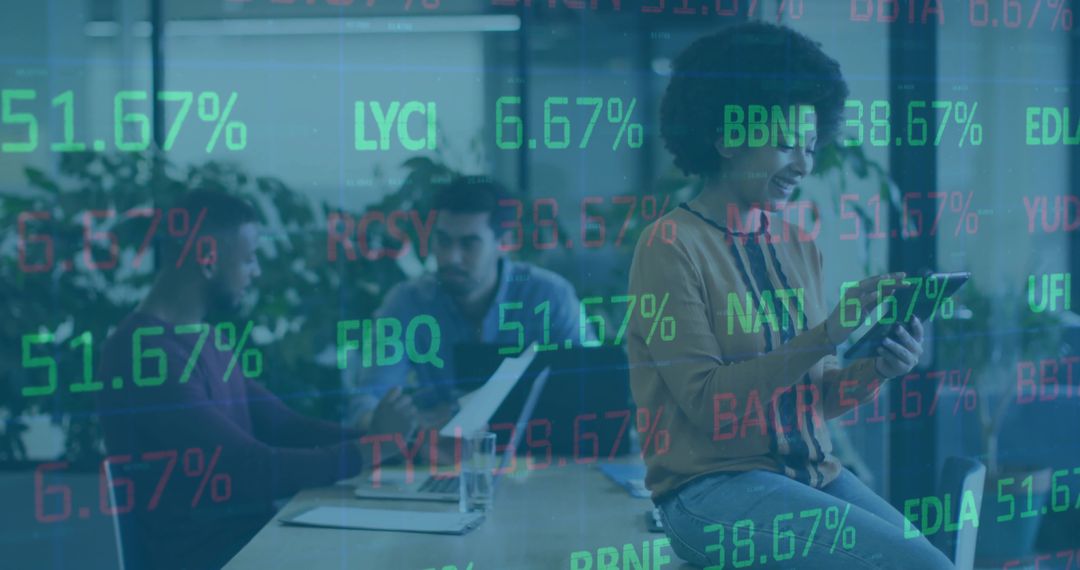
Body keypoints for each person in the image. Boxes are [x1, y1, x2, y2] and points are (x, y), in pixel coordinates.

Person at [627, 23, 953, 569]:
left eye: (808, 146)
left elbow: (815, 400)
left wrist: (877, 369)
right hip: (709, 495)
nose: (803, 166)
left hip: (812, 476)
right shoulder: (669, 246)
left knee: (933, 563)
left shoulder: (799, 246)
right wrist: (827, 332)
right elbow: (710, 406)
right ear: (727, 135)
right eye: (784, 145)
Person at [96, 190, 416, 570]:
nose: (257, 271)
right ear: (208, 259)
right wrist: (372, 450)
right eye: (248, 259)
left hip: (255, 544)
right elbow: (247, 469)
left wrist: (395, 442)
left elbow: (285, 426)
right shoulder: (142, 355)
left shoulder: (203, 339)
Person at [346, 175, 588, 429]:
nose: (451, 257)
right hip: (439, 458)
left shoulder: (549, 296)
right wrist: (396, 426)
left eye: (468, 244)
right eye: (443, 241)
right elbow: (367, 400)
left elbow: (589, 391)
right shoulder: (408, 303)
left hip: (539, 454)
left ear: (503, 242)